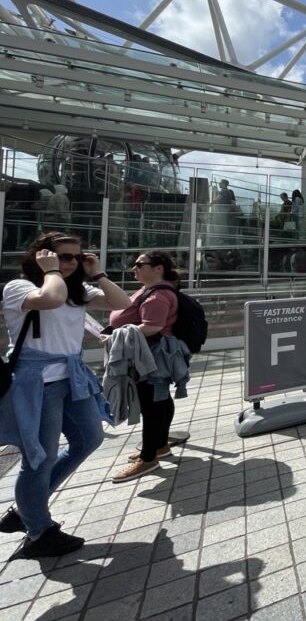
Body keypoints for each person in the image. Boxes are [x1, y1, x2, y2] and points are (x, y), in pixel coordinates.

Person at [0, 232, 131, 559]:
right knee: (38, 458)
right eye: (63, 256)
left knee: (89, 438)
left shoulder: (78, 291)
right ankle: (38, 531)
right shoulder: (21, 287)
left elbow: (123, 304)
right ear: (42, 257)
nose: (71, 263)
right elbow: (51, 299)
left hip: (71, 377)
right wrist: (52, 271)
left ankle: (28, 507)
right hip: (36, 383)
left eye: (76, 257)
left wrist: (97, 272)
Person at [107, 251, 191, 483]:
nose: (133, 268)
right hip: (148, 355)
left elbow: (153, 326)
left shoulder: (157, 296)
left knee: (152, 405)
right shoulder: (150, 291)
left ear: (158, 268)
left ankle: (149, 457)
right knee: (159, 400)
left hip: (151, 357)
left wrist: (116, 336)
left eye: (139, 264)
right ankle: (160, 446)